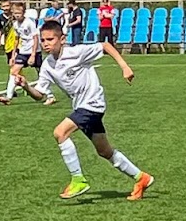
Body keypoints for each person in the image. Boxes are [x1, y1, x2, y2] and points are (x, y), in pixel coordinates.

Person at [16, 20, 154, 200]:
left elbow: (105, 45)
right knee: (104, 151)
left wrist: (125, 67)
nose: (46, 43)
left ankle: (78, 179)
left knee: (60, 133)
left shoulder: (76, 52)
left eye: (50, 39)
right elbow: (40, 94)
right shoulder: (48, 65)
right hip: (81, 106)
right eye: (43, 40)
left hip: (92, 104)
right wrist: (26, 86)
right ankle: (141, 177)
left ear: (62, 39)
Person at [0, 2, 55, 105]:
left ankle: (50, 96)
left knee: (41, 74)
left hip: (33, 51)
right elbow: (16, 39)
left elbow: (35, 38)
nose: (17, 15)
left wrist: (33, 54)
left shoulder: (29, 23)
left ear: (23, 13)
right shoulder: (15, 24)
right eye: (15, 13)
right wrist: (14, 54)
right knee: (14, 71)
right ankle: (8, 97)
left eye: (19, 13)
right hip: (22, 52)